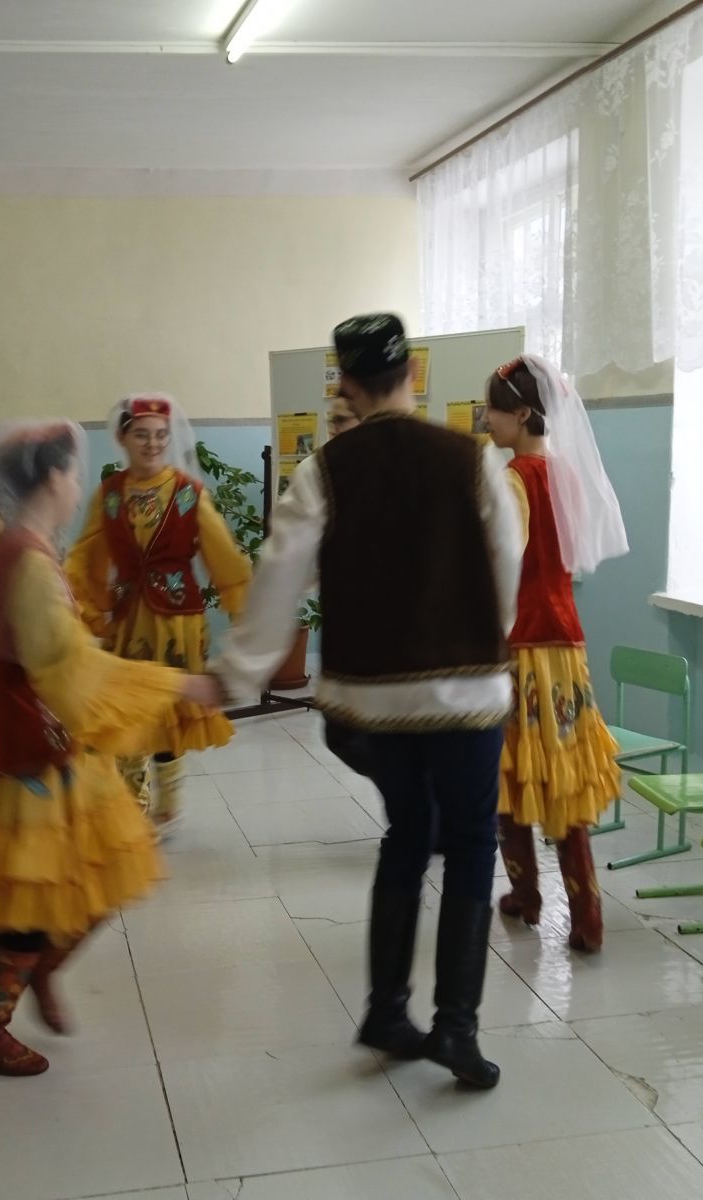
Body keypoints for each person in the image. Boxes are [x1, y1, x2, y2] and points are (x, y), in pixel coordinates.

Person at [214, 313, 523, 1090]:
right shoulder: (471, 460)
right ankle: (456, 1029)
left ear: (345, 382)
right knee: (472, 844)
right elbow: (505, 561)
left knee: (405, 836)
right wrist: (485, 633)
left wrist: (238, 672)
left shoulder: (323, 472)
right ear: (412, 372)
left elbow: (280, 575)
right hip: (465, 692)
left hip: (374, 700)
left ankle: (387, 1010)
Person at [0, 422, 222, 1077]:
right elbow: (70, 672)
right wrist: (180, 684)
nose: (79, 485)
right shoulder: (24, 558)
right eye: (73, 472)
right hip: (18, 746)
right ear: (49, 478)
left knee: (103, 869)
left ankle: (37, 970)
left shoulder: (20, 547)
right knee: (38, 893)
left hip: (34, 734)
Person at [483, 356, 628, 953]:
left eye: (492, 410)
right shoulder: (565, 475)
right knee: (562, 775)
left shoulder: (513, 479)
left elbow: (503, 567)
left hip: (521, 646)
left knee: (512, 769)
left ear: (521, 414)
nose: (485, 419)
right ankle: (586, 914)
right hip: (565, 644)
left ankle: (526, 895)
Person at [65, 394, 251, 829]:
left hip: (177, 621)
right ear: (122, 438)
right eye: (142, 435)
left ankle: (168, 798)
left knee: (168, 710)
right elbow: (87, 555)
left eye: (161, 435)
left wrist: (245, 618)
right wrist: (85, 607)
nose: (152, 444)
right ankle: (133, 802)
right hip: (127, 618)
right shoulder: (110, 495)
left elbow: (224, 559)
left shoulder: (188, 493)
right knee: (128, 709)